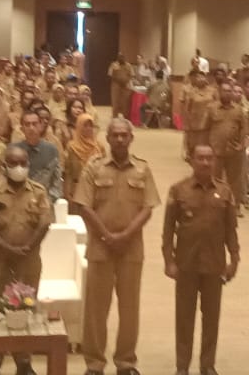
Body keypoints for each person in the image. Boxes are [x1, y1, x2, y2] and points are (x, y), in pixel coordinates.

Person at [72, 119, 160, 375]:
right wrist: (108, 236)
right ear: (108, 139)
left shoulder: (142, 169)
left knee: (129, 308)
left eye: (124, 135)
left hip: (131, 250)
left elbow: (148, 207)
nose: (120, 139)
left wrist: (125, 236)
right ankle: (94, 364)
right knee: (96, 310)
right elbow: (84, 206)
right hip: (101, 249)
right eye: (115, 135)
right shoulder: (94, 168)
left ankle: (126, 362)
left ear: (131, 138)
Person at [162, 144, 240, 375]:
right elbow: (168, 229)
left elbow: (230, 230)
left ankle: (207, 365)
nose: (206, 162)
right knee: (184, 319)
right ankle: (182, 366)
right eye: (201, 158)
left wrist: (234, 259)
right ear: (192, 161)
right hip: (186, 264)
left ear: (214, 161)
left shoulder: (225, 192)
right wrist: (169, 260)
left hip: (214, 265)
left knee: (211, 319)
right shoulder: (179, 190)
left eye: (209, 158)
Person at [0, 145, 54, 375]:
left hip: (28, 260)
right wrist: (8, 248)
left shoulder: (38, 192)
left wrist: (27, 247)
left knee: (25, 310)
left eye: (23, 164)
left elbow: (44, 222)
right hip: (0, 259)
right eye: (13, 164)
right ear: (4, 166)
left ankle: (24, 361)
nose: (19, 168)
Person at [207, 83, 249, 206]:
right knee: (215, 179)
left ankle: (234, 206)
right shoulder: (211, 108)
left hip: (234, 150)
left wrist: (241, 144)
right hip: (215, 150)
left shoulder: (238, 109)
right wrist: (206, 147)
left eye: (229, 91)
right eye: (224, 91)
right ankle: (214, 203)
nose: (227, 93)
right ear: (219, 92)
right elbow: (206, 128)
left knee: (234, 180)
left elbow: (243, 128)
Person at [18, 109, 65, 202]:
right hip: (18, 202)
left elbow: (56, 182)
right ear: (22, 128)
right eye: (27, 124)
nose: (31, 128)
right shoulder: (14, 149)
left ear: (41, 126)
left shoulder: (52, 150)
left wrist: (46, 200)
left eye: (34, 124)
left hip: (45, 202)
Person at [65, 112, 106, 209]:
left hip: (96, 190)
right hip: (76, 190)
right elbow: (68, 173)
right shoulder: (72, 147)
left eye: (91, 126)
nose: (88, 128)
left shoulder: (99, 147)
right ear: (78, 127)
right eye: (85, 126)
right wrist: (67, 194)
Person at [108, 54, 134, 121]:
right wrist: (118, 79)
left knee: (125, 102)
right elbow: (110, 74)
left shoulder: (128, 65)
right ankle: (115, 117)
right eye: (119, 58)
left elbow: (132, 75)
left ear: (124, 58)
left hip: (125, 86)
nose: (121, 59)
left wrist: (126, 81)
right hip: (116, 86)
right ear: (117, 58)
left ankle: (125, 118)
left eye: (122, 57)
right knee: (115, 102)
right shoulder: (114, 65)